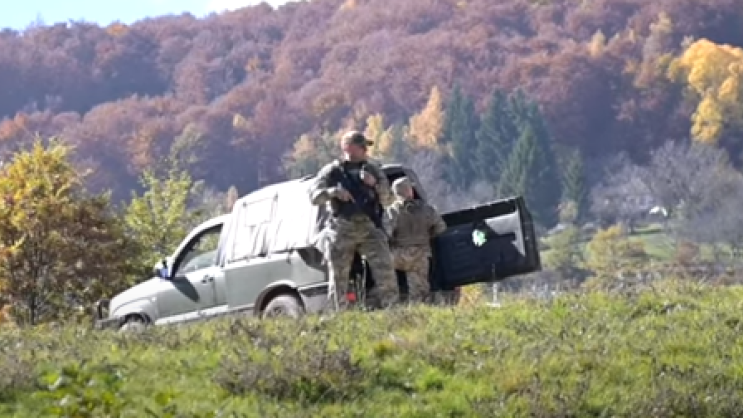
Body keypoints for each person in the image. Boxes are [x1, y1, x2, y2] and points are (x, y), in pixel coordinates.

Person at [309, 130, 398, 311]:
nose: (366, 150)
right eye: (361, 146)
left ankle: (393, 310)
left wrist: (375, 185)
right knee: (339, 277)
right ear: (348, 148)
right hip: (343, 228)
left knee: (386, 271)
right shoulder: (332, 172)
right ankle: (340, 314)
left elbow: (389, 199)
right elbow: (314, 197)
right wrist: (333, 192)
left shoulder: (373, 169)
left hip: (369, 227)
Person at [387, 177, 447, 304]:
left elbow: (386, 234)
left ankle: (387, 298)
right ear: (410, 190)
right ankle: (419, 308)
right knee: (420, 292)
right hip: (421, 255)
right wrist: (428, 236)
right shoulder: (427, 209)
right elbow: (441, 227)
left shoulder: (392, 211)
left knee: (381, 266)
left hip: (399, 255)